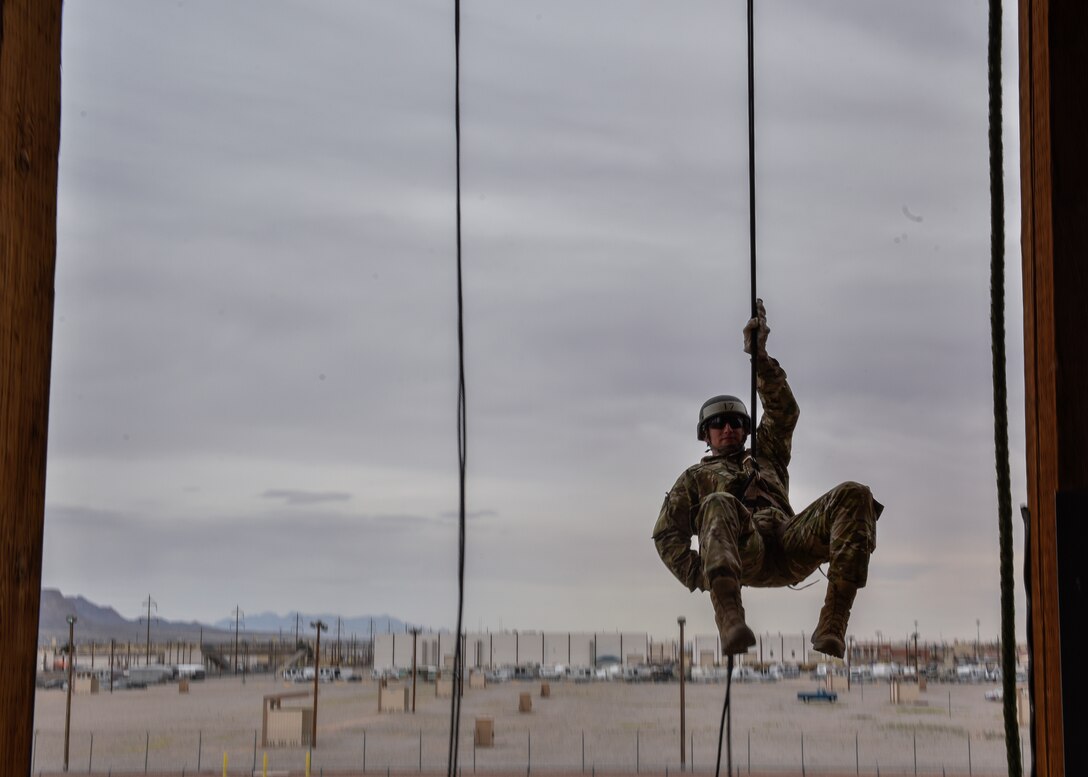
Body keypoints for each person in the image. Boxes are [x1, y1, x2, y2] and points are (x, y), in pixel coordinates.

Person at [652, 300, 882, 658]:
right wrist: (700, 573)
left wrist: (758, 356)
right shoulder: (695, 479)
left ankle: (834, 620)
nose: (727, 428)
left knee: (854, 494)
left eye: (736, 423)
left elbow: (783, 410)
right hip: (747, 552)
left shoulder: (767, 453)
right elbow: (667, 533)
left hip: (789, 543)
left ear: (745, 430)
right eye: (718, 424)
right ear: (705, 435)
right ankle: (729, 618)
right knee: (718, 503)